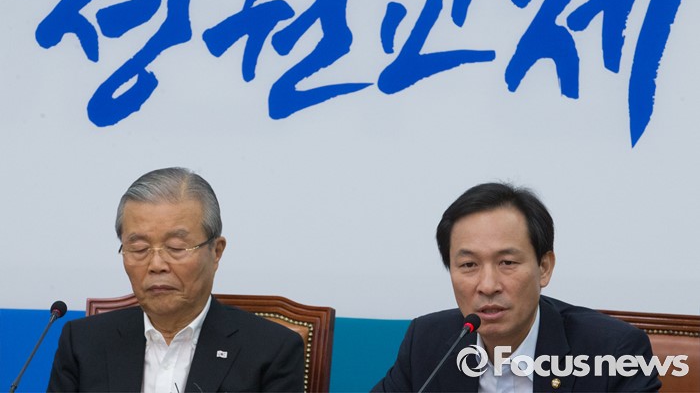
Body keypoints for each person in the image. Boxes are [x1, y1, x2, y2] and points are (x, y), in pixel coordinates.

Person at [373, 182, 661, 392]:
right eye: (469, 265)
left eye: (507, 262)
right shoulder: (426, 343)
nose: (488, 286)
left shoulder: (612, 352)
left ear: (544, 267)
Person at [48, 167, 305, 392]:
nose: (156, 265)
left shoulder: (271, 349)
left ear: (216, 252)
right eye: (139, 249)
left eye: (176, 248)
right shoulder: (83, 342)